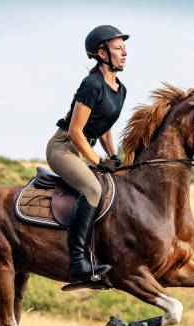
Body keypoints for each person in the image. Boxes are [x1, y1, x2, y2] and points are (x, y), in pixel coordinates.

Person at [46, 25, 128, 284]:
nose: (125, 52)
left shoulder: (120, 89)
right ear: (102, 54)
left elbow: (104, 127)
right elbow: (75, 132)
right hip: (64, 149)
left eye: (124, 47)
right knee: (93, 190)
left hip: (85, 148)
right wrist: (98, 161)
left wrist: (114, 157)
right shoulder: (92, 84)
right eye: (118, 48)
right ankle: (78, 263)